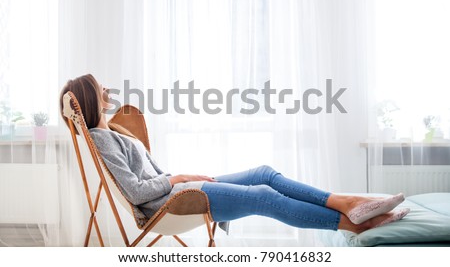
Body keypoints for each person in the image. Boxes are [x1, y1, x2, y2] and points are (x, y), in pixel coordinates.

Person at [60, 74, 409, 234]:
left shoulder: (113, 131)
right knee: (262, 196)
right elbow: (136, 193)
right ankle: (352, 222)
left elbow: (146, 179)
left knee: (263, 173)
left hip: (172, 190)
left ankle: (347, 202)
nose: (107, 88)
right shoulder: (100, 138)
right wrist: (178, 177)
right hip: (168, 202)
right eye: (99, 87)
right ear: (91, 99)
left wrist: (176, 178)